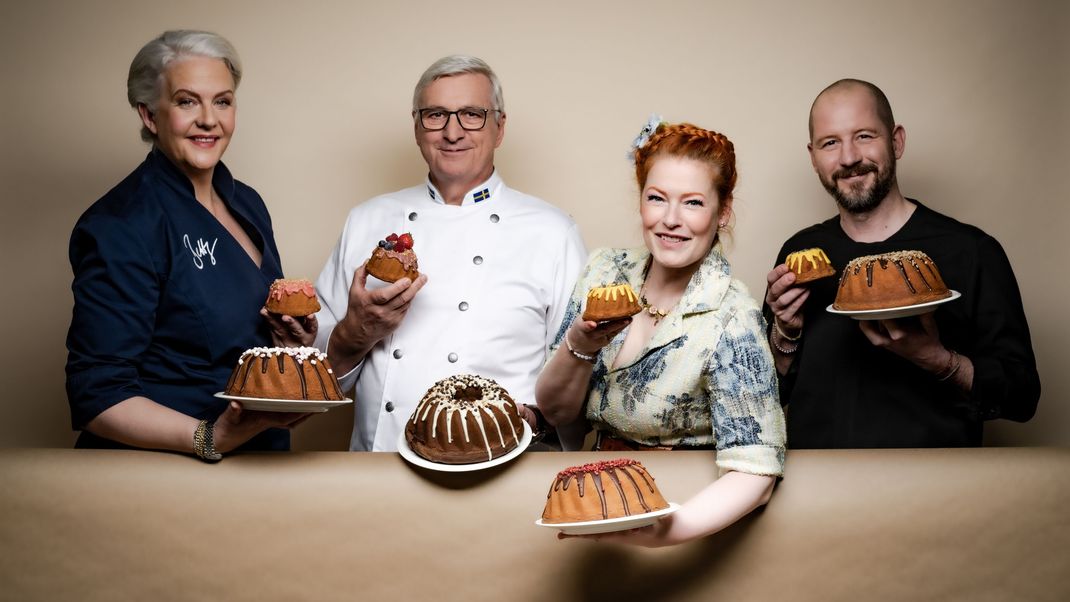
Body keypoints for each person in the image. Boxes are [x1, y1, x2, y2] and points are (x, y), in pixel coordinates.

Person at [535, 118, 786, 547]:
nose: (670, 220)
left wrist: (667, 530)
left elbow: (756, 471)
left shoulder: (733, 315)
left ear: (722, 211)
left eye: (692, 203)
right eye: (657, 198)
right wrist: (578, 345)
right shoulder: (603, 271)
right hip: (596, 505)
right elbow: (556, 413)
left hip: (685, 514)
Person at [315, 55, 586, 451]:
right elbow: (316, 382)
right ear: (416, 126)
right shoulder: (366, 221)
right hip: (380, 471)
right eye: (436, 115)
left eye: (472, 114)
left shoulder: (553, 232)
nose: (452, 132)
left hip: (502, 467)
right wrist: (355, 335)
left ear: (499, 128)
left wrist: (534, 418)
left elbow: (576, 374)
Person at [66, 30, 313, 460]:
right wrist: (207, 437)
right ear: (149, 115)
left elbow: (240, 334)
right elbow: (97, 394)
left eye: (222, 101)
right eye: (186, 101)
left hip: (263, 462)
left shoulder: (248, 203)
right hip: (166, 476)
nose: (208, 120)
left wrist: (288, 342)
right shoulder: (121, 223)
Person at [764, 79, 1040, 448]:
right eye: (831, 143)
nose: (848, 158)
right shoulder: (800, 253)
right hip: (820, 487)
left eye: (864, 136)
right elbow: (764, 395)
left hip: (935, 490)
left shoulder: (972, 251)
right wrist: (785, 333)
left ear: (897, 141)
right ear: (813, 156)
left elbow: (1022, 397)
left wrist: (939, 360)